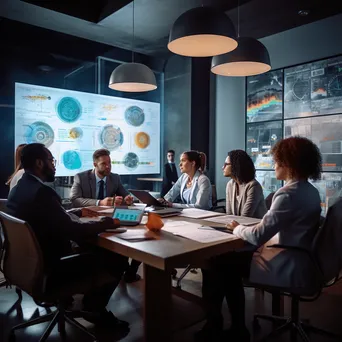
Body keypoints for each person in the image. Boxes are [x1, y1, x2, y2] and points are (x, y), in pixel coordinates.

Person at [196, 137, 322, 342]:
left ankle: (229, 328)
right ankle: (226, 325)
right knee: (224, 262)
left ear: (288, 163)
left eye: (276, 160)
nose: (274, 165)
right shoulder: (311, 191)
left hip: (287, 261)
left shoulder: (287, 194)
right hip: (302, 258)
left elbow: (256, 235)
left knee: (218, 263)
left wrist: (237, 229)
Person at [7, 143, 129, 329]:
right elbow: (74, 231)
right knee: (117, 257)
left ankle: (81, 301)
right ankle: (94, 308)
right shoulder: (43, 192)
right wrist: (108, 222)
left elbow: (51, 215)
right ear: (40, 163)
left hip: (26, 265)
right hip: (52, 269)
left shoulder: (20, 187)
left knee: (91, 248)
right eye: (51, 160)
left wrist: (79, 212)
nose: (54, 165)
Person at [70, 148, 140, 283]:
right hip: (88, 220)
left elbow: (125, 194)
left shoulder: (115, 177)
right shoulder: (81, 177)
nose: (108, 166)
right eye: (104, 164)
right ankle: (113, 271)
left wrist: (129, 199)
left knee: (130, 237)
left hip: (108, 220)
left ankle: (128, 271)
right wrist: (99, 202)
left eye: (109, 163)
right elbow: (74, 199)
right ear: (95, 165)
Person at [223, 149, 267, 218]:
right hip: (238, 226)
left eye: (226, 164)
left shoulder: (253, 186)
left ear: (236, 166)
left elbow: (245, 217)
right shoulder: (230, 185)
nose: (223, 167)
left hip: (254, 227)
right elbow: (229, 214)